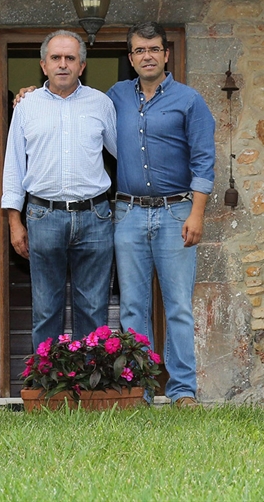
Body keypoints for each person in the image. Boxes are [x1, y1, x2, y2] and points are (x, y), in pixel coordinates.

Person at [109, 22, 215, 407]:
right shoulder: (116, 96)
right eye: (139, 50)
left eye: (154, 48)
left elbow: (205, 161)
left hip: (177, 213)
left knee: (179, 307)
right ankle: (142, 388)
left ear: (166, 54)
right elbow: (76, 107)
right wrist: (30, 94)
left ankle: (183, 389)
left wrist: (197, 213)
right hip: (129, 213)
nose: (147, 56)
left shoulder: (190, 100)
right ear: (131, 57)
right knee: (133, 307)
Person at [1, 29, 117, 352]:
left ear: (82, 66)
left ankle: (91, 388)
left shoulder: (101, 104)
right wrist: (14, 222)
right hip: (43, 216)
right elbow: (14, 167)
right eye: (56, 58)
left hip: (95, 216)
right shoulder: (26, 107)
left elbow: (126, 155)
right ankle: (47, 390)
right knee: (45, 310)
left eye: (70, 58)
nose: (63, 64)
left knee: (93, 310)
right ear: (43, 65)